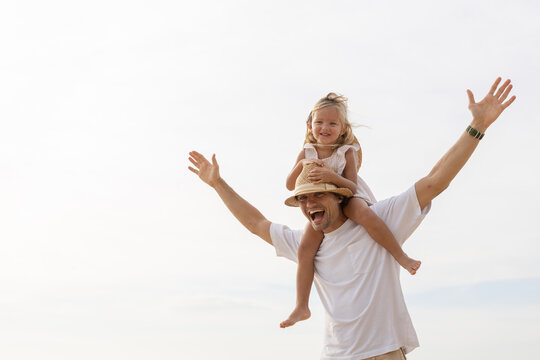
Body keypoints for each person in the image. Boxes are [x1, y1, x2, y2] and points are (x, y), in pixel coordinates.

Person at [188, 78, 515, 360]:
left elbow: (435, 181)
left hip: (383, 352)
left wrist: (478, 126)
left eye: (317, 194)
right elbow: (257, 223)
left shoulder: (379, 220)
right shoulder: (309, 242)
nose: (308, 202)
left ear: (338, 195)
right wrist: (218, 183)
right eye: (303, 197)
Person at [281, 92, 421, 329]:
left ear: (343, 128)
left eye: (332, 123)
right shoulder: (307, 152)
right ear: (309, 124)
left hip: (347, 195)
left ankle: (401, 256)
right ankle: (301, 306)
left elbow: (351, 185)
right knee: (305, 249)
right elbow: (289, 185)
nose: (325, 128)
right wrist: (302, 165)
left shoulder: (346, 151)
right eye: (319, 122)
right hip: (324, 204)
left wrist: (331, 176)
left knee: (365, 214)